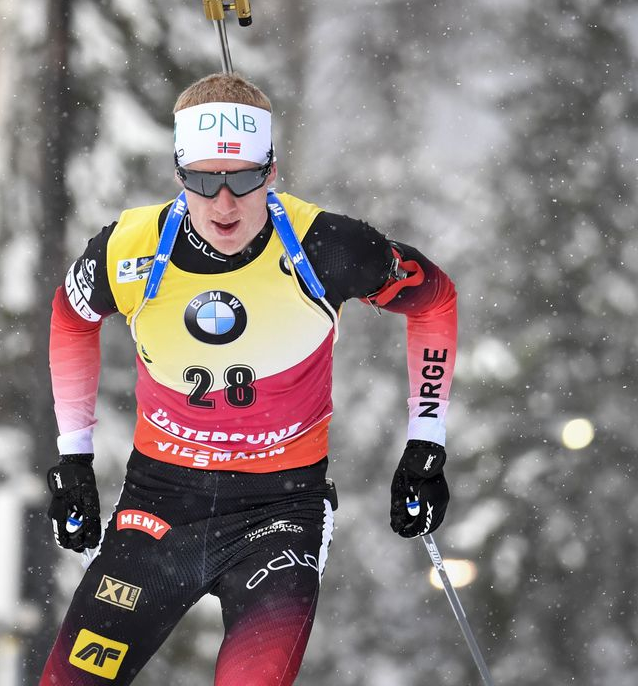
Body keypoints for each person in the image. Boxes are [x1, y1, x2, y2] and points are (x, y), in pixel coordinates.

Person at [39, 73, 457, 685]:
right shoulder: (129, 251)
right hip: (161, 504)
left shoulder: (327, 247)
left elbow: (433, 300)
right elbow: (70, 320)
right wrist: (73, 459)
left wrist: (426, 443)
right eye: (205, 181)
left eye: (244, 179)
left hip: (279, 507)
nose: (225, 204)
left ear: (272, 170)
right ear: (179, 174)